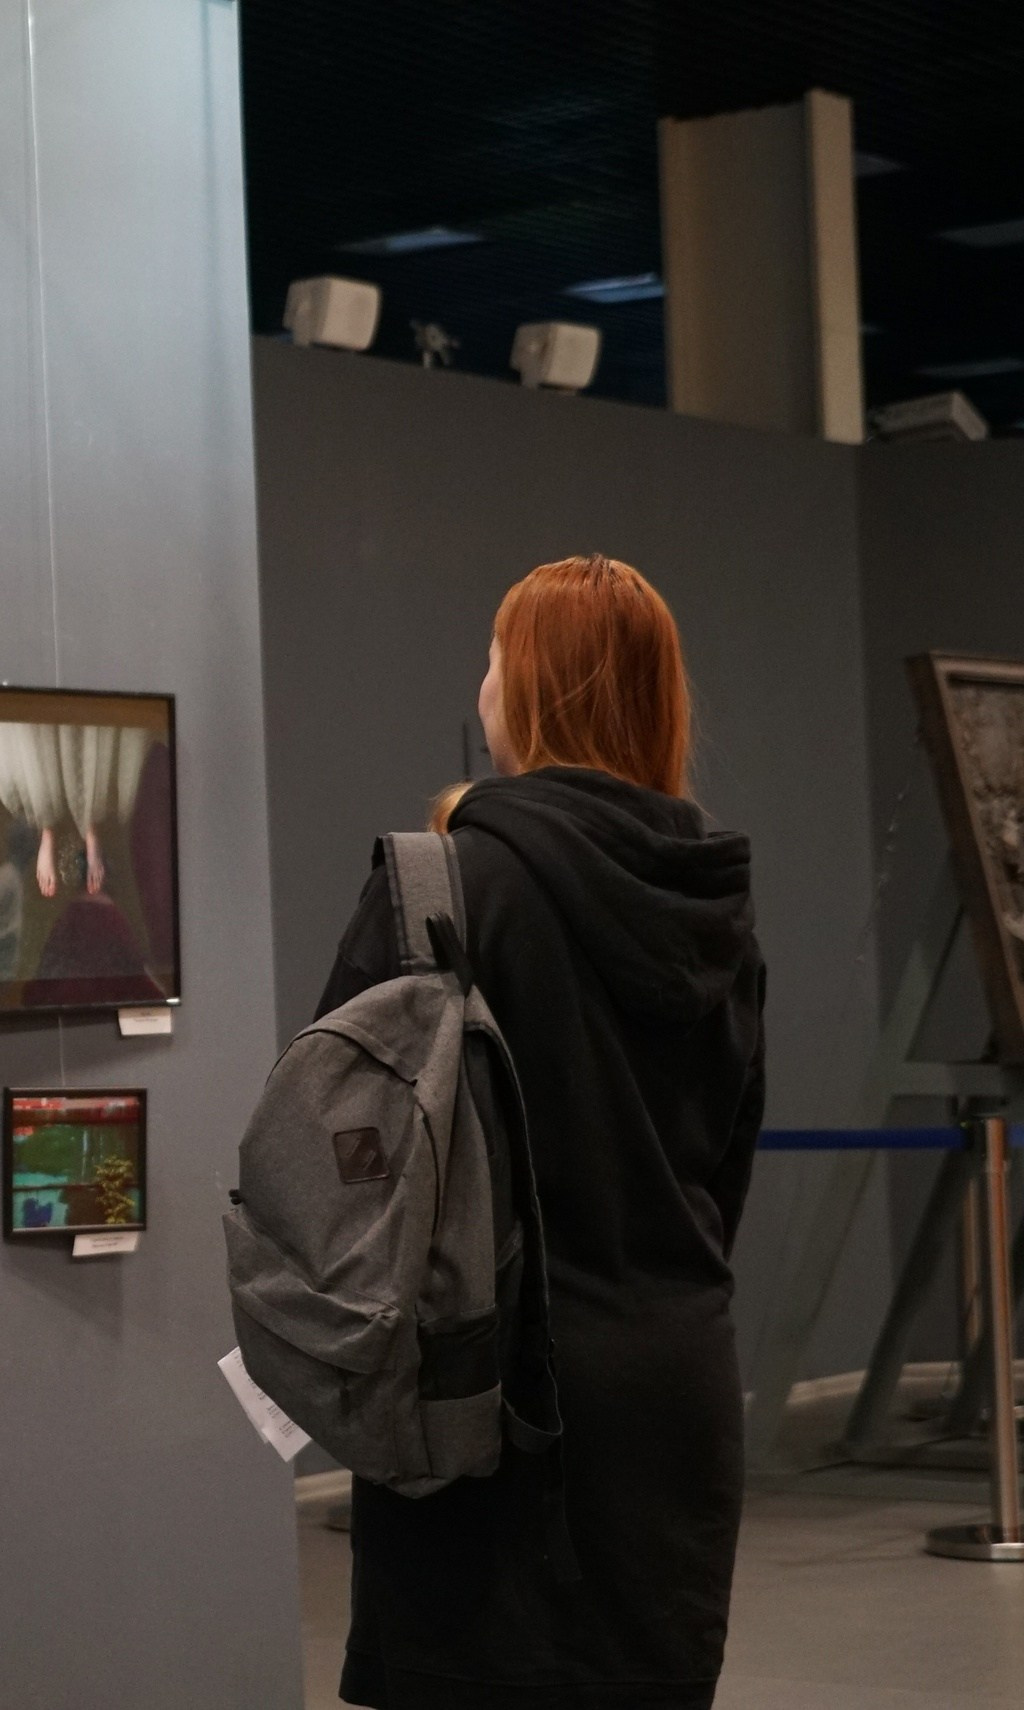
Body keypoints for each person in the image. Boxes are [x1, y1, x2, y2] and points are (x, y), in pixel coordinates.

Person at [317, 555, 764, 1709]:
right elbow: (723, 1168)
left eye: (492, 657)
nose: (479, 684)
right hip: (671, 1391)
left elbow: (341, 1154)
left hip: (483, 1406)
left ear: (524, 691)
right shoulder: (714, 902)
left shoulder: (439, 887)